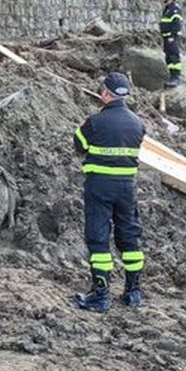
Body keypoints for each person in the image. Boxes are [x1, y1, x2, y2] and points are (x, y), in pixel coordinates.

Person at [72, 72, 146, 313]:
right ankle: (133, 292)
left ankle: (101, 294)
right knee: (129, 236)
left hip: (100, 186)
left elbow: (79, 145)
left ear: (105, 93)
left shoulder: (95, 121)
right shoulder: (138, 123)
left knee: (98, 237)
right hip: (127, 187)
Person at [159, 0, 183, 87]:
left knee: (173, 57)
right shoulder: (167, 9)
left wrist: (172, 36)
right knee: (169, 57)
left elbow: (177, 24)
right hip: (166, 37)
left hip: (171, 37)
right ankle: (172, 77)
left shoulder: (175, 10)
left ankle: (176, 78)